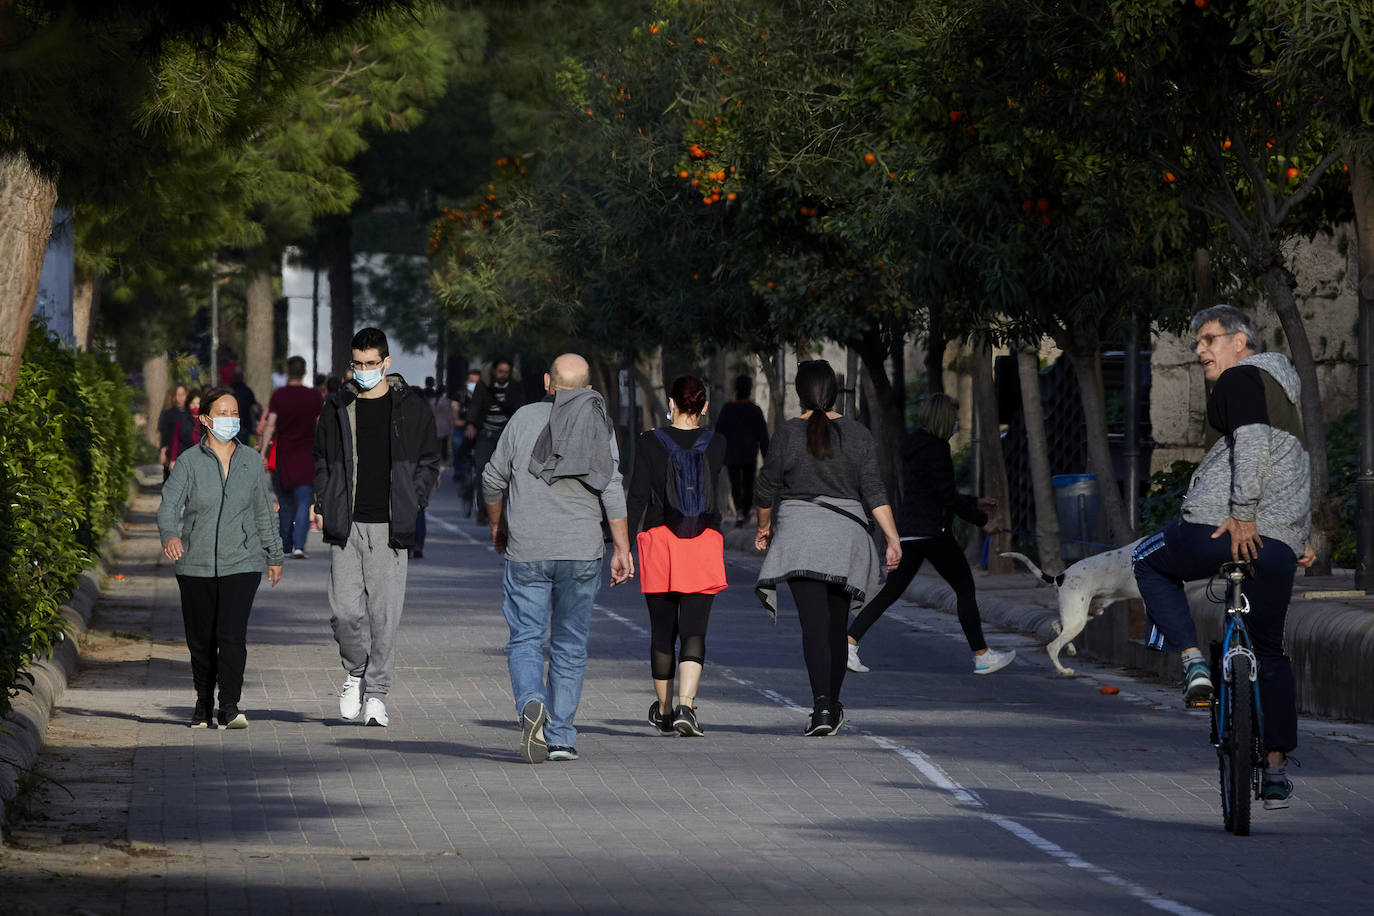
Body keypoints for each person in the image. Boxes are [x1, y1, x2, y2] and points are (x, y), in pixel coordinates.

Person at [1132, 304, 1315, 811]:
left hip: (1223, 528)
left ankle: (1194, 665)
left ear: (1241, 341)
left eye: (1209, 339)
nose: (1200, 351)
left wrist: (1242, 514)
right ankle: (1275, 770)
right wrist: (1305, 533)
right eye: (1197, 344)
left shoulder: (1239, 379)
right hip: (1278, 543)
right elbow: (1295, 461)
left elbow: (1254, 446)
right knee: (1270, 650)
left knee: (1148, 562)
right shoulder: (1285, 391)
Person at [482, 353, 634, 764]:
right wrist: (621, 548)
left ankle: (532, 702)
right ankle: (562, 737)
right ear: (588, 389)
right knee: (569, 644)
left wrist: (499, 527)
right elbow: (612, 487)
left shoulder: (523, 418)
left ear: (548, 381)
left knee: (527, 638)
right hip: (582, 553)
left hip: (527, 549)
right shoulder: (598, 422)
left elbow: (492, 479)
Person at [753, 359, 901, 736]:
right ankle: (830, 707)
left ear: (800, 393)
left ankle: (821, 706)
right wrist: (892, 538)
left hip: (800, 537)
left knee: (814, 628)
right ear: (836, 392)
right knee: (836, 628)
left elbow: (766, 486)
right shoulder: (858, 433)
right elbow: (874, 489)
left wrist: (764, 527)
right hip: (846, 540)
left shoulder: (787, 433)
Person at [313, 328, 441, 727]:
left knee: (384, 617)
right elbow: (321, 458)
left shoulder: (411, 407)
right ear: (350, 364)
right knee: (344, 614)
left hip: (390, 526)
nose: (364, 371)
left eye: (372, 364)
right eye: (358, 364)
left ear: (386, 362)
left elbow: (429, 460)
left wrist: (415, 499)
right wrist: (323, 499)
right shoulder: (337, 407)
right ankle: (356, 671)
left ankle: (378, 694)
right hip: (346, 525)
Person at [845, 393, 1016, 676]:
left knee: (890, 592)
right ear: (943, 419)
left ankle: (849, 643)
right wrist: (982, 520)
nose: (957, 424)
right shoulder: (937, 449)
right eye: (954, 419)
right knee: (964, 589)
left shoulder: (916, 447)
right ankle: (982, 655)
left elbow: (934, 491)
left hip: (911, 531)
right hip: (933, 532)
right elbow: (945, 496)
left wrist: (974, 501)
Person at [157, 386, 284, 729]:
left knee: (231, 636)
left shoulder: (250, 462)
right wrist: (170, 535)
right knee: (202, 640)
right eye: (223, 413)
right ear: (206, 419)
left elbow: (262, 512)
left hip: (242, 563)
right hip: (195, 564)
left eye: (234, 413)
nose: (230, 419)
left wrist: (275, 554)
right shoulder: (188, 462)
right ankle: (202, 702)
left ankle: (229, 705)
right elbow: (169, 505)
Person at [625, 375, 729, 737]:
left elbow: (637, 495)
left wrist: (621, 545)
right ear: (704, 406)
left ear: (670, 403)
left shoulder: (650, 442)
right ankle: (687, 705)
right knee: (694, 630)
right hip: (704, 542)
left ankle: (665, 711)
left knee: (662, 631)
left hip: (658, 541)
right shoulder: (717, 443)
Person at [260, 356, 324, 560]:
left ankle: (285, 544)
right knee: (305, 501)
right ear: (304, 372)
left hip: (284, 453)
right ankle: (299, 545)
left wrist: (263, 451)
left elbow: (270, 424)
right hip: (306, 454)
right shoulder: (313, 396)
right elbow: (320, 423)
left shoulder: (279, 396)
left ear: (287, 371)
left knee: (285, 501)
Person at [467, 357, 525, 524]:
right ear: (494, 371)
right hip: (486, 434)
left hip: (507, 435)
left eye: (506, 372)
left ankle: (510, 509)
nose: (503, 375)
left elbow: (520, 408)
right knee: (481, 470)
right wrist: (471, 424)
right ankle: (483, 508)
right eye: (500, 371)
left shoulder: (515, 387)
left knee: (511, 472)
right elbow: (475, 406)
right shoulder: (484, 386)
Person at [714, 375, 770, 526]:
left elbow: (719, 433)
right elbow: (763, 436)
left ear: (735, 390)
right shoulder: (755, 410)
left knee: (735, 484)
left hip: (731, 455)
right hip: (749, 455)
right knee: (748, 483)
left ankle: (739, 511)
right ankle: (744, 511)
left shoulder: (727, 410)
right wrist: (768, 458)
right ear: (750, 390)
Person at [451, 368, 481, 511]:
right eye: (471, 381)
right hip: (462, 430)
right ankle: (459, 471)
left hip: (479, 430)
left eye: (476, 382)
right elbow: (454, 418)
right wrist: (466, 424)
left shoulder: (484, 398)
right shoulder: (459, 396)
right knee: (456, 443)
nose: (473, 384)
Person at [157, 383, 192, 481]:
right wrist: (163, 452)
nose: (180, 398)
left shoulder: (191, 414)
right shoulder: (169, 414)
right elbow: (165, 434)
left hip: (187, 451)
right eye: (178, 395)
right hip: (172, 452)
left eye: (182, 395)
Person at [230, 370, 261, 445]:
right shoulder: (247, 391)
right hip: (245, 424)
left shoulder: (229, 390)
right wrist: (258, 418)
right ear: (242, 377)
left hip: (231, 425)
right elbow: (255, 409)